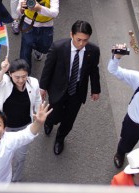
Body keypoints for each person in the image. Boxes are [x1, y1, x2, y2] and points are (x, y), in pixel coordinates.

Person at [40, 20, 100, 155]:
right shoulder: (58, 47)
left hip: (77, 90)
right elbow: (48, 68)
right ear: (71, 34)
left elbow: (93, 70)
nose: (81, 44)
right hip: (58, 87)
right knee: (54, 114)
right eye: (78, 39)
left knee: (69, 119)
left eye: (85, 40)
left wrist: (95, 90)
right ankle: (49, 122)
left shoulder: (93, 51)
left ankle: (60, 139)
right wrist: (42, 87)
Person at [0, 58, 42, 181]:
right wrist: (2, 70)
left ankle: (15, 180)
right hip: (5, 127)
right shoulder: (5, 82)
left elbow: (37, 99)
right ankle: (2, 178)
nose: (20, 80)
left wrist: (38, 113)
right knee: (3, 155)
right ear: (10, 75)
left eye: (24, 76)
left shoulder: (33, 83)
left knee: (20, 157)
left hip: (24, 128)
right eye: (17, 77)